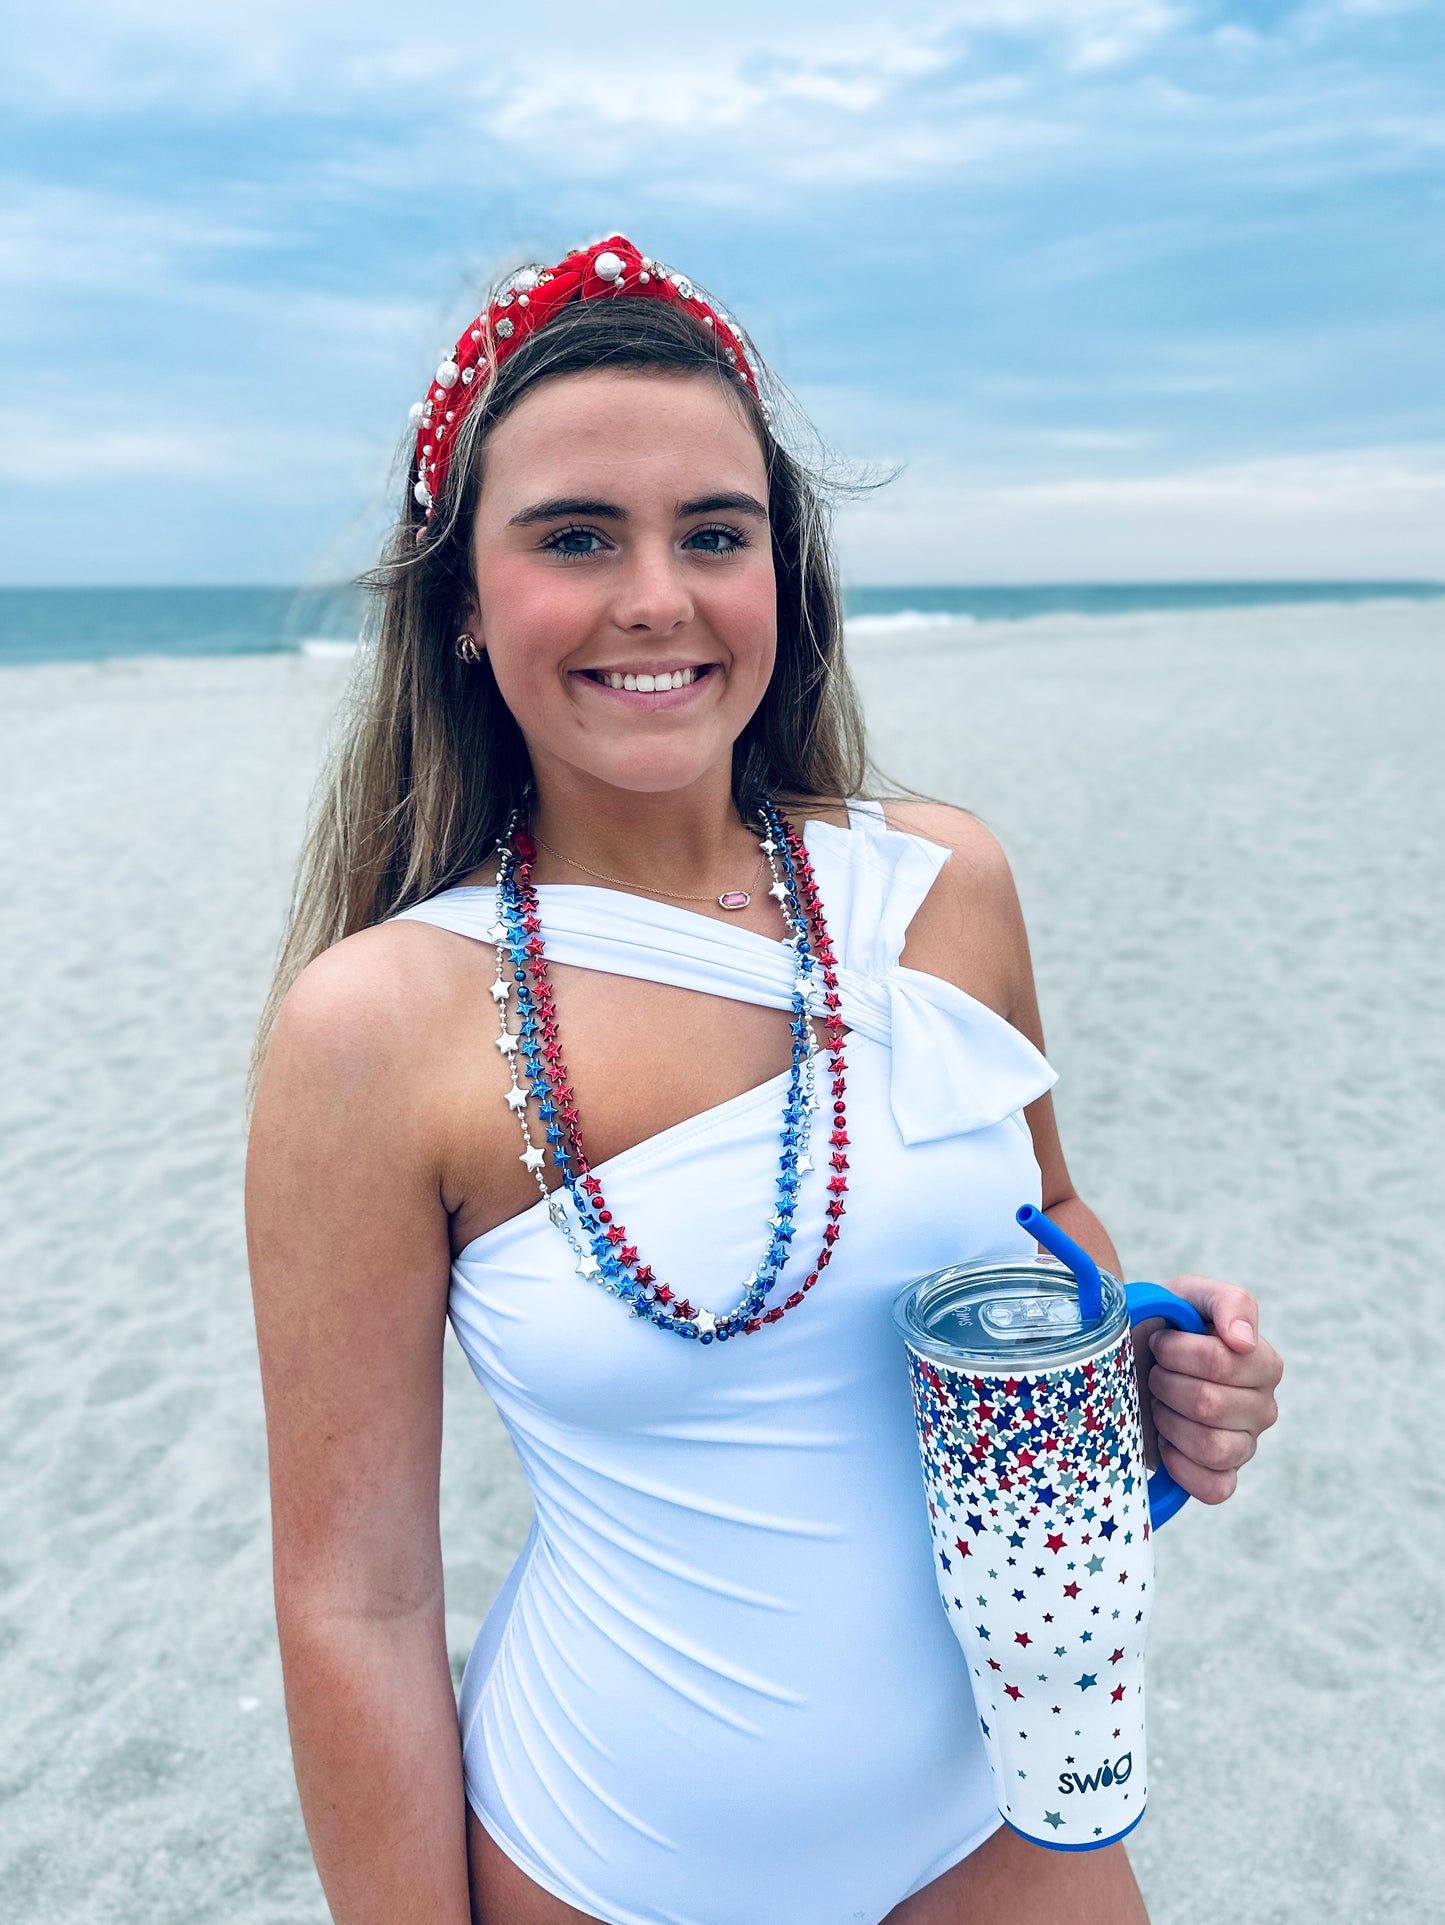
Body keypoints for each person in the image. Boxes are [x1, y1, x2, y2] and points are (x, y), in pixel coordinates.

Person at [245, 235, 1283, 1925]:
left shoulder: (937, 886)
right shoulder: (374, 1028)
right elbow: (353, 1597)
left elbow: (1052, 1225)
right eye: (576, 535)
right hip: (618, 1861)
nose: (655, 594)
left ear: (777, 583)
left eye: (713, 534)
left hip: (1005, 1819)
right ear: (457, 606)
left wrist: (1150, 1370)